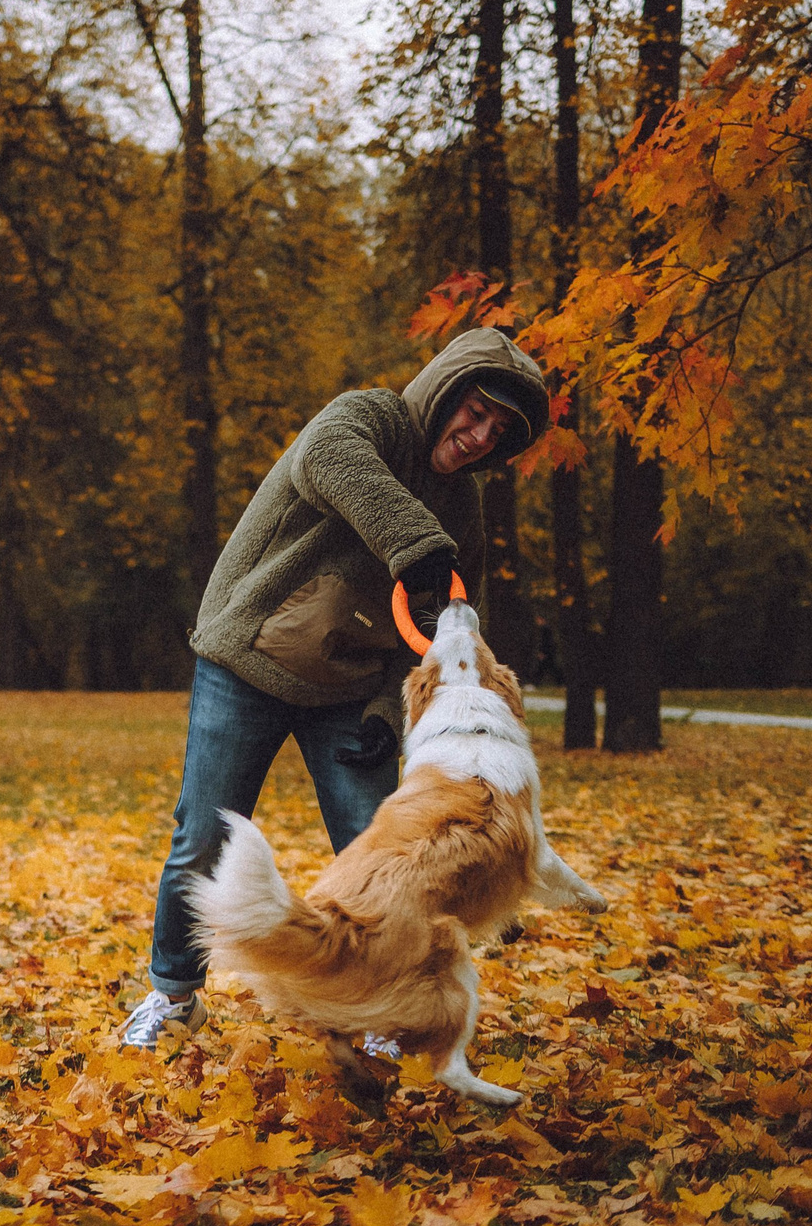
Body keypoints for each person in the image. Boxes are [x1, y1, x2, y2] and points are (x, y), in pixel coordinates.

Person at [120, 326, 550, 1049]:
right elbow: (331, 462)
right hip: (247, 661)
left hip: (353, 688)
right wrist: (418, 546)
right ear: (446, 392)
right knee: (202, 836)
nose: (478, 436)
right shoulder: (367, 418)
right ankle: (174, 995)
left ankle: (384, 1004)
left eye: (498, 431)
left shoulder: (463, 507)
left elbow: (437, 624)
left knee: (389, 854)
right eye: (474, 412)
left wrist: (390, 708)